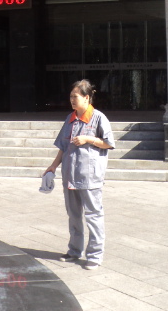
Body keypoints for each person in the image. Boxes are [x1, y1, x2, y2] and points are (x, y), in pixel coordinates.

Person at [44, 79, 115, 270]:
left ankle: (95, 255)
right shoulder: (70, 118)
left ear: (86, 98)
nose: (72, 100)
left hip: (90, 176)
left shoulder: (98, 118)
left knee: (93, 215)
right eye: (70, 97)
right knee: (73, 215)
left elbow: (109, 143)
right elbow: (63, 146)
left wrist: (88, 139)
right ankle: (74, 250)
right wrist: (53, 166)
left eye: (75, 97)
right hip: (70, 175)